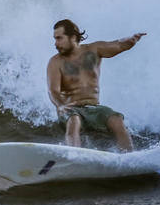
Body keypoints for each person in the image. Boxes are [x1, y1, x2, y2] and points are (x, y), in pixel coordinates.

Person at [47, 18, 145, 151]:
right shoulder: (55, 62)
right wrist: (61, 105)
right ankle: (74, 157)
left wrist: (132, 40)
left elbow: (118, 45)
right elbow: (53, 91)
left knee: (116, 119)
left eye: (59, 38)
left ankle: (129, 158)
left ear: (73, 37)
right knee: (74, 121)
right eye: (55, 39)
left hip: (94, 108)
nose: (56, 43)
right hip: (71, 109)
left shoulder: (94, 50)